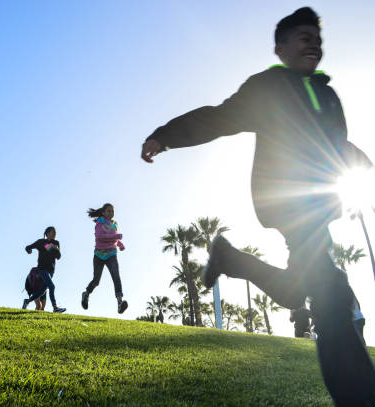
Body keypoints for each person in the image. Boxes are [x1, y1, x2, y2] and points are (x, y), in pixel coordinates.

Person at [141, 8, 375, 405]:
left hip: (317, 207)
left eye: (316, 39)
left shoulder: (329, 95)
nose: (312, 44)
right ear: (280, 48)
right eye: (302, 37)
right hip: (285, 199)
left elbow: (333, 144)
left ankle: (230, 258)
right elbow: (220, 117)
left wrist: (358, 162)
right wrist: (166, 136)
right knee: (331, 294)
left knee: (295, 290)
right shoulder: (270, 87)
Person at [81, 203, 128, 314]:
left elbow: (113, 239)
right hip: (99, 255)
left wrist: (120, 244)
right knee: (96, 281)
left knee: (116, 276)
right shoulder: (100, 222)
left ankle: (120, 302)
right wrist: (117, 237)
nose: (111, 213)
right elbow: (100, 237)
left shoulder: (114, 224)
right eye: (108, 211)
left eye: (112, 211)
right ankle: (86, 294)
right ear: (103, 212)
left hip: (111, 254)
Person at [21, 227, 66, 313]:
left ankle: (26, 301)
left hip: (51, 271)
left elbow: (58, 257)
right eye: (53, 232)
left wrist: (56, 248)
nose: (55, 234)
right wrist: (29, 250)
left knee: (41, 292)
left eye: (55, 232)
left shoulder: (56, 243)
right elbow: (28, 247)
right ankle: (55, 307)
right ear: (47, 233)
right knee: (52, 286)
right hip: (42, 269)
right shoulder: (41, 242)